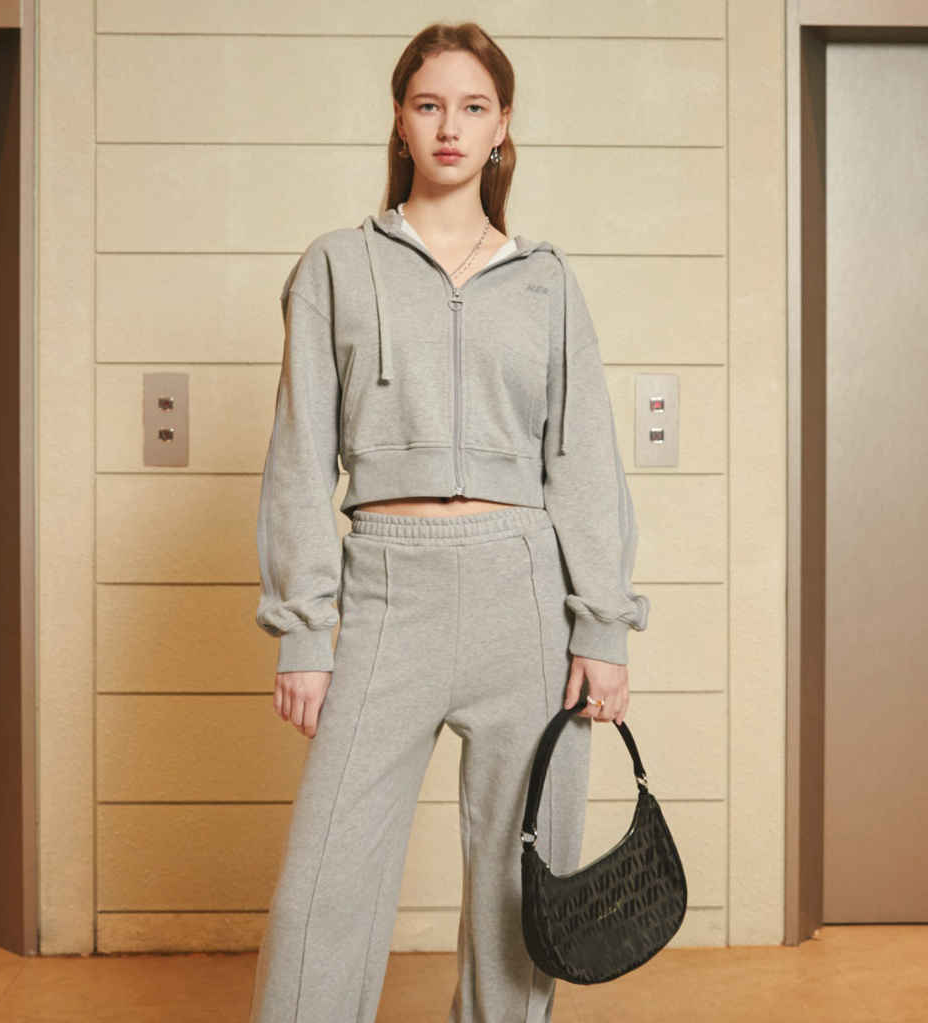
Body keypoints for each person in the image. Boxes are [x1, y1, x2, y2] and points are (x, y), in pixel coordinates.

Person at [248, 20, 650, 1023]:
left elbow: (583, 462)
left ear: (502, 125)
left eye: (473, 107)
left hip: (525, 594)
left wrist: (602, 627)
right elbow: (298, 455)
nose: (450, 127)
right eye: (429, 105)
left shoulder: (546, 280)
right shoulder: (338, 266)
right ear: (400, 119)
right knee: (323, 892)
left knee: (520, 898)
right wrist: (303, 631)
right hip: (387, 592)